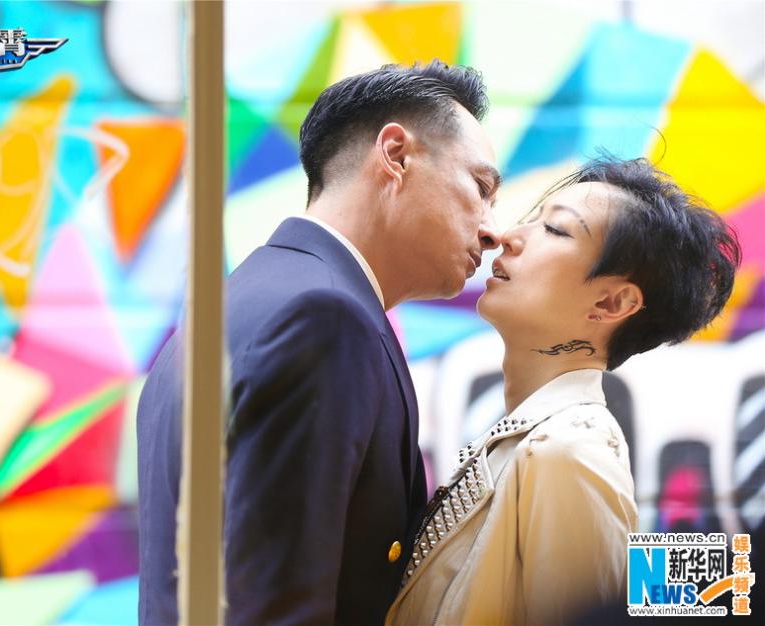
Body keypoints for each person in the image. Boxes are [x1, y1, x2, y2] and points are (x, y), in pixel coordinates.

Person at [137, 60, 502, 625]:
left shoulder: (237, 303)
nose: (492, 229)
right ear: (396, 155)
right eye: (480, 188)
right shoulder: (325, 319)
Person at [386, 156, 741, 625]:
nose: (508, 236)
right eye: (531, 219)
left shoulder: (568, 450)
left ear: (611, 302)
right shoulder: (534, 439)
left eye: (555, 229)